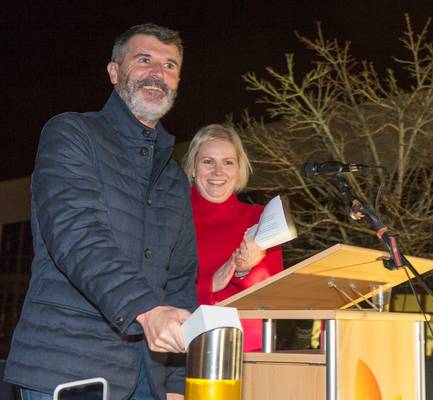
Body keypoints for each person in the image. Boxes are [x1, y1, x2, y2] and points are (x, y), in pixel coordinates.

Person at [3, 23, 197, 400]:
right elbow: (76, 233)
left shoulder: (173, 177)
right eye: (145, 60)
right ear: (114, 72)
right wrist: (145, 309)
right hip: (69, 368)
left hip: (150, 379)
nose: (159, 73)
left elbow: (180, 279)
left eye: (170, 65)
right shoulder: (71, 133)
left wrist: (176, 383)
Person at [182, 124, 283, 351]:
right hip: (187, 345)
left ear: (238, 170)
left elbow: (272, 295)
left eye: (228, 162)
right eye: (208, 162)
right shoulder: (171, 215)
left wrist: (245, 270)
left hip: (248, 349)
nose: (218, 172)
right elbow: (156, 283)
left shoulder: (258, 216)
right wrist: (208, 284)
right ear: (193, 168)